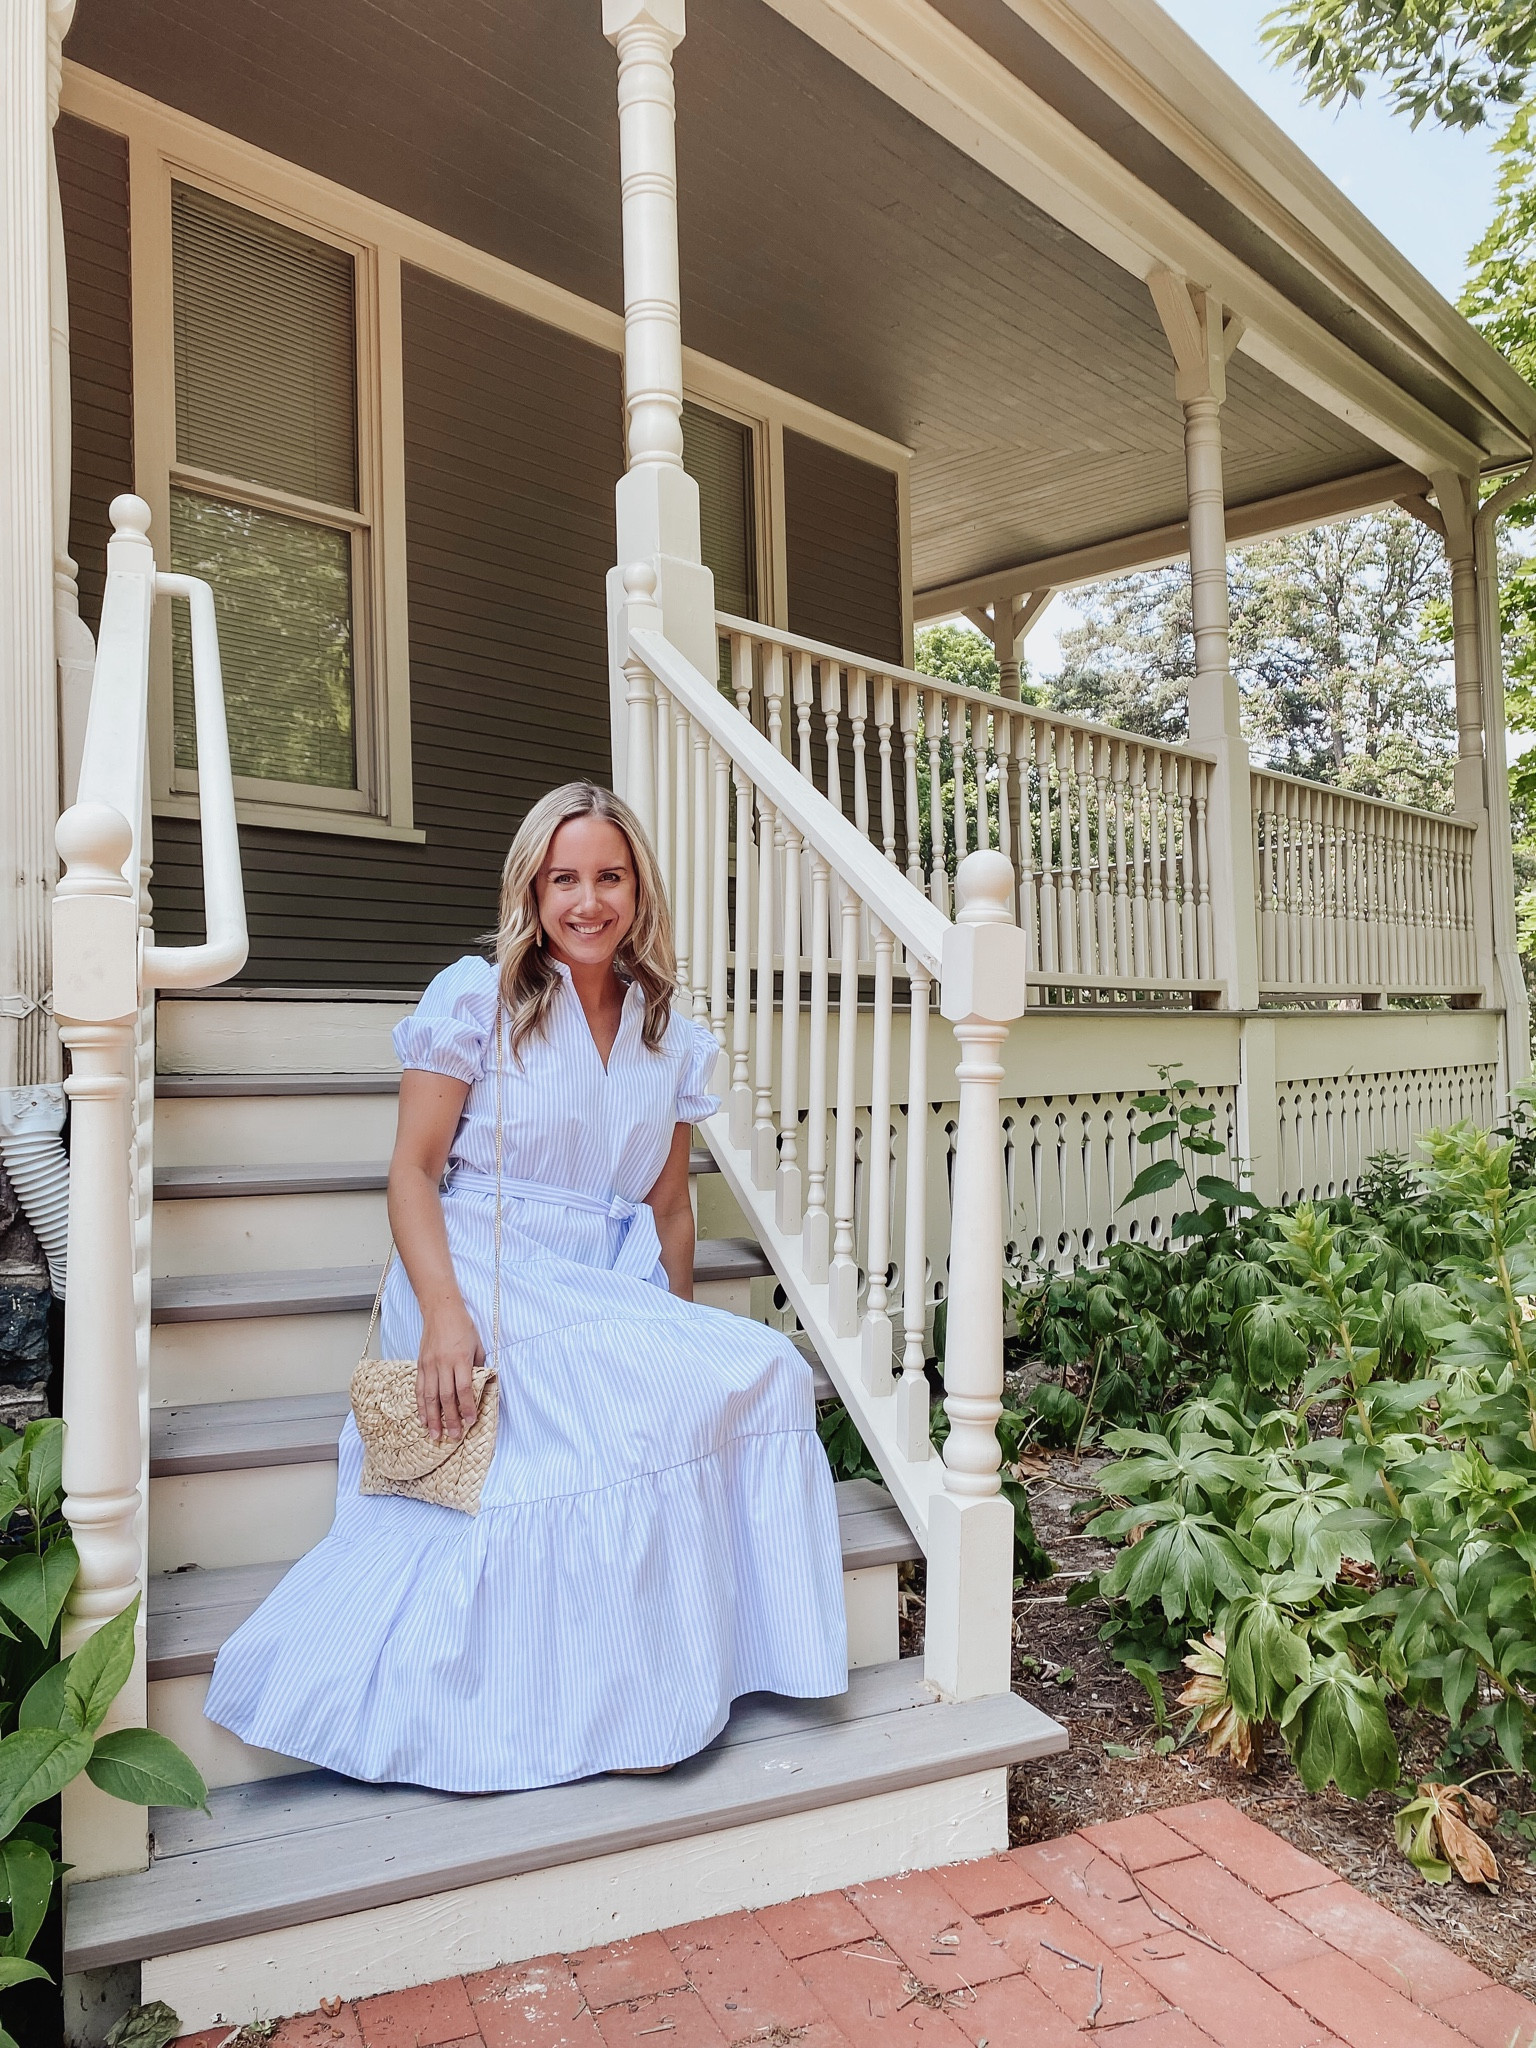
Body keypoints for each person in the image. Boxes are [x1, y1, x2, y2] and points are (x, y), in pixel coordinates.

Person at [204, 782, 848, 1791]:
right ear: (532, 889)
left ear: (638, 888)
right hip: (484, 1268)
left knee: (761, 1365)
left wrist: (672, 1333)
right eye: (564, 879)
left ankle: (708, 1669)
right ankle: (538, 1707)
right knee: (602, 1430)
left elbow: (671, 1203)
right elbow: (412, 1171)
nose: (587, 901)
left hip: (609, 1280)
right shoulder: (478, 995)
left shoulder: (667, 1033)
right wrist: (446, 1316)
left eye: (608, 876)